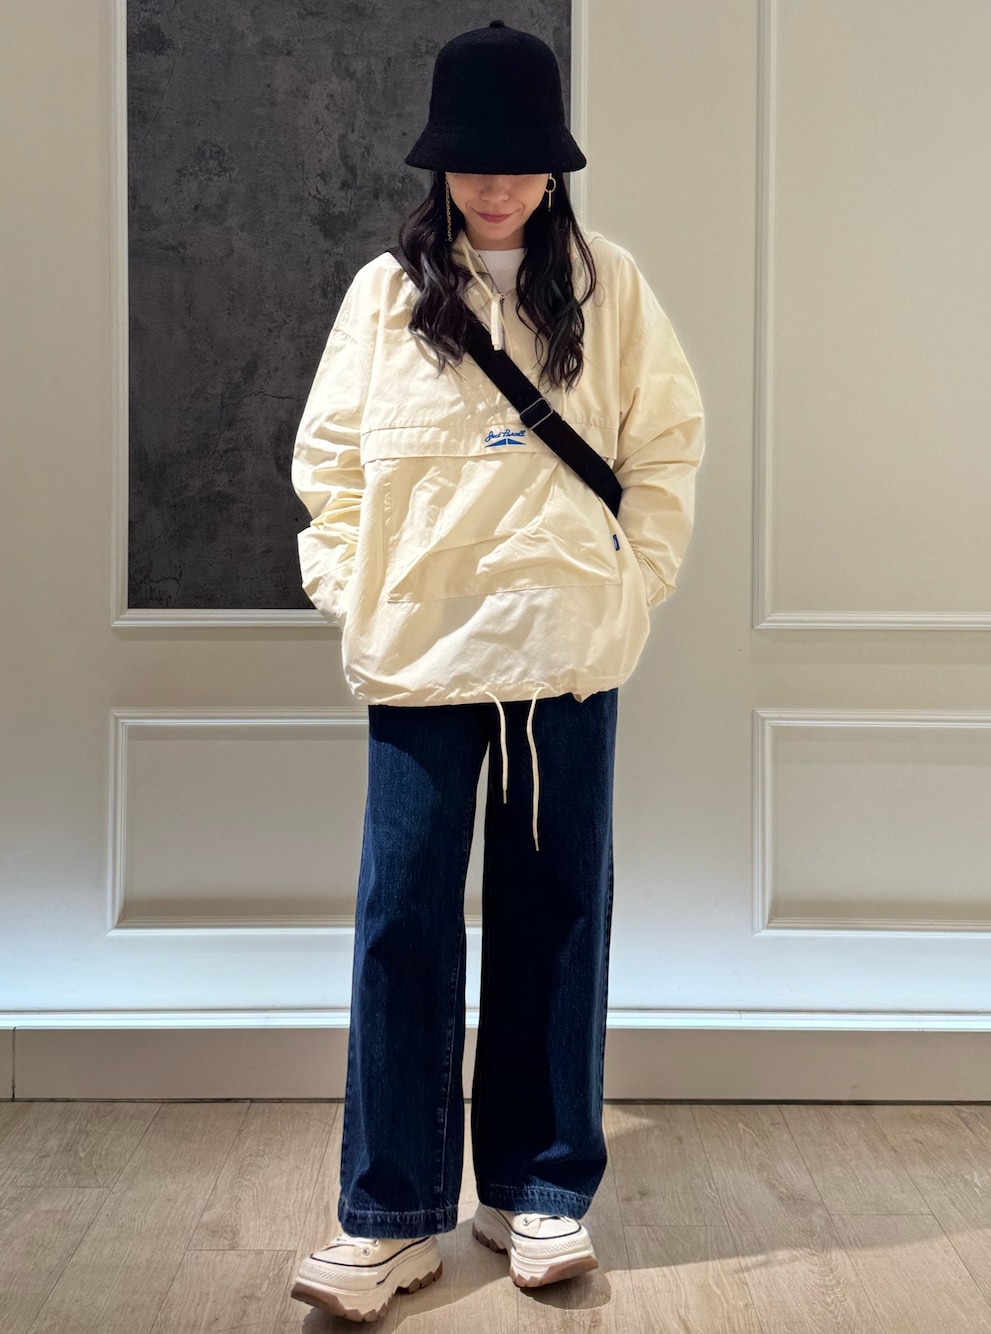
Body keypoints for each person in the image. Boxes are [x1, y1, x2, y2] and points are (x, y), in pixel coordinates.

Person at [288, 18, 705, 1325]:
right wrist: (351, 590)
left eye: (519, 158)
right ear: (440, 162)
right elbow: (329, 465)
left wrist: (628, 585)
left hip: (566, 654)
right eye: (473, 158)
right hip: (419, 654)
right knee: (402, 923)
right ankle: (387, 1215)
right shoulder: (384, 295)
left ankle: (538, 1188)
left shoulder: (611, 287)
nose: (496, 182)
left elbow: (667, 446)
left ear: (553, 163)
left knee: (558, 914)